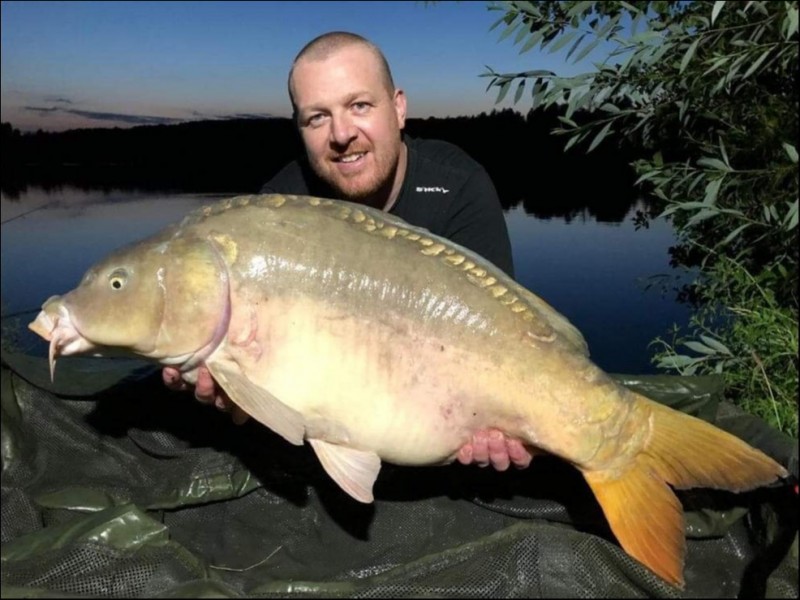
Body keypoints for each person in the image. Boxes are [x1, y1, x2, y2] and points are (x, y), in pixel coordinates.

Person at [163, 31, 534, 471]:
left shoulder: (459, 185)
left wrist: (498, 421)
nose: (341, 134)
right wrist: (239, 395)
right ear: (299, 129)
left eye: (359, 106)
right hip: (338, 421)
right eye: (317, 117)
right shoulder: (277, 210)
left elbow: (506, 337)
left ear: (398, 108)